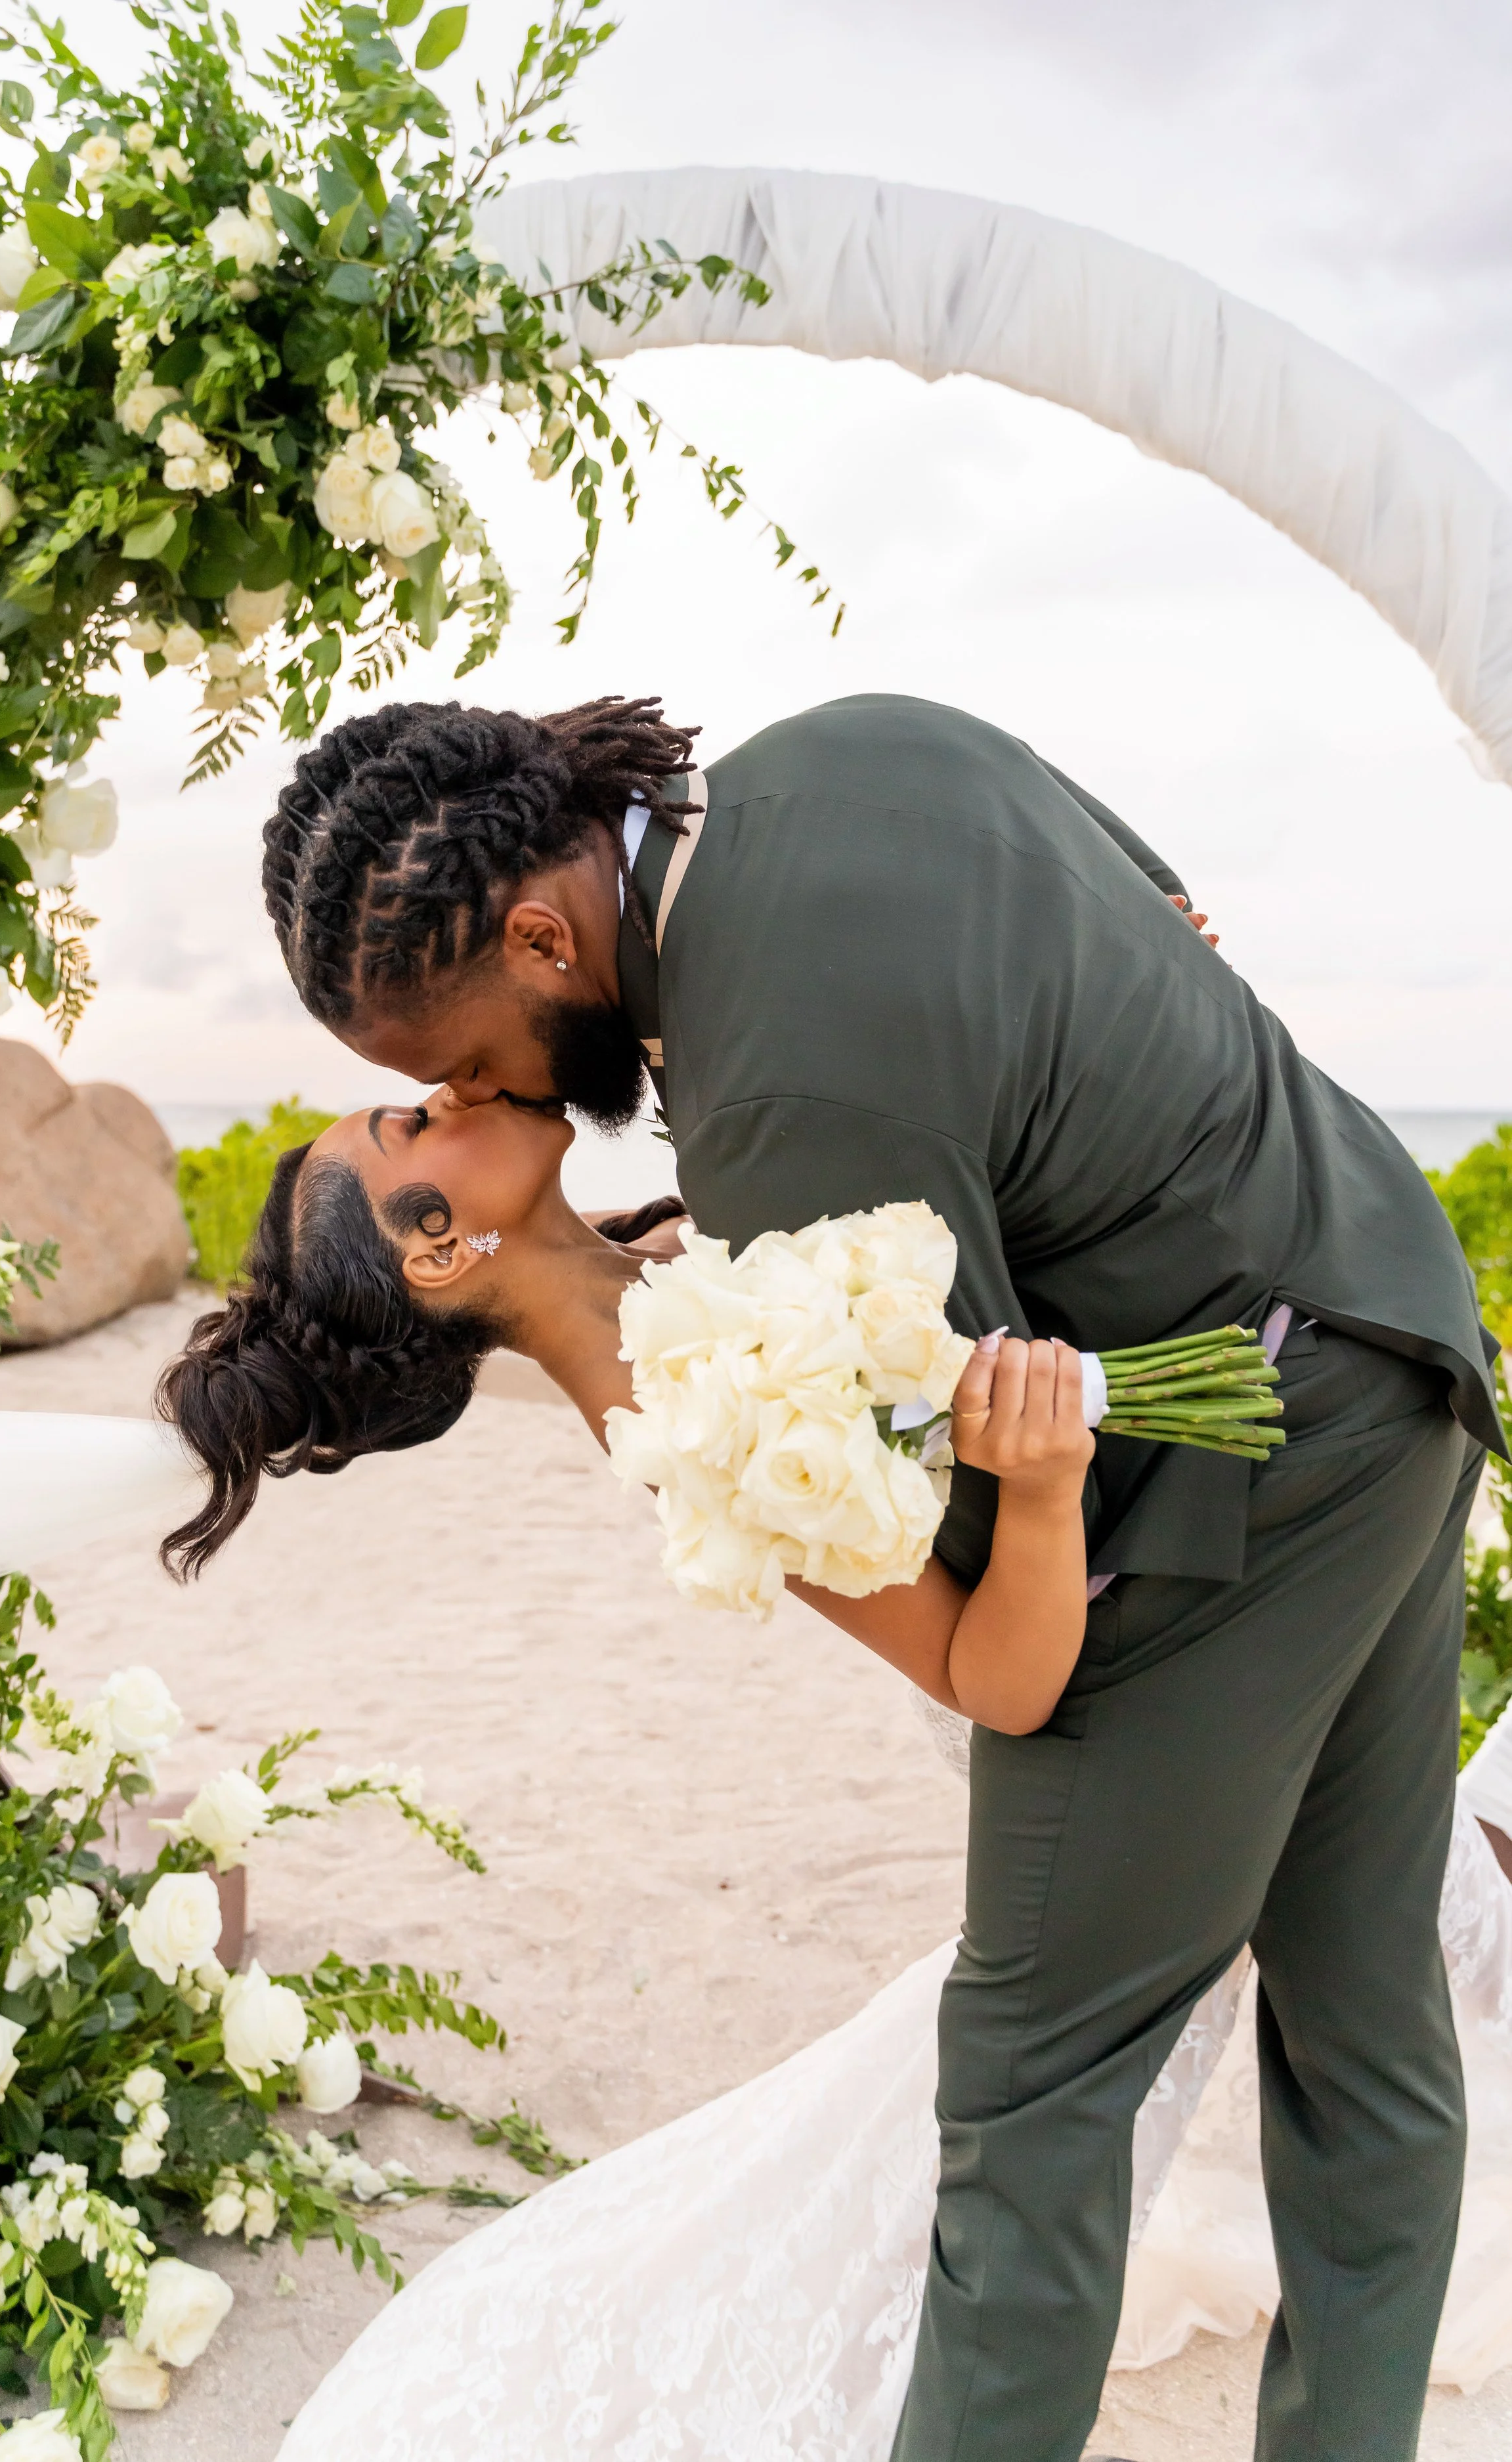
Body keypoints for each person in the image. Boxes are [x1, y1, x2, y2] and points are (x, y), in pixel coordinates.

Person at [212, 688, 1498, 2462]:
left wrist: (1035, 1459)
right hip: (1396, 1321)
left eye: (451, 1054)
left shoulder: (775, 1128)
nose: (467, 1085)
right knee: (1362, 2030)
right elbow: (1167, 914)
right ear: (441, 1249)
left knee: (1036, 2082)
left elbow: (992, 1589)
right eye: (418, 1111)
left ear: (538, 931)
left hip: (1257, 1482)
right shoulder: (849, 746)